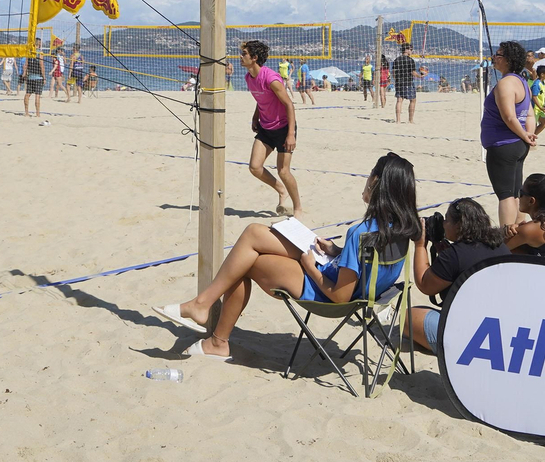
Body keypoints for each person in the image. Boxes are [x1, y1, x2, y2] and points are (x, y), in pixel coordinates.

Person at [156, 153, 420, 361]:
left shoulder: (360, 233)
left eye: (370, 175)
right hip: (356, 288)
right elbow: (370, 266)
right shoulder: (402, 230)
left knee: (246, 259)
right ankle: (206, 315)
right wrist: (337, 252)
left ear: (376, 183)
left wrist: (310, 267)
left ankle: (215, 335)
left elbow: (339, 295)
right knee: (253, 237)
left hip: (329, 294)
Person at [406, 197, 510, 354]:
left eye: (447, 220)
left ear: (459, 225)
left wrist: (420, 245)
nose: (443, 224)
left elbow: (424, 284)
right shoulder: (500, 245)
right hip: (501, 327)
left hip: (471, 336)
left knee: (407, 318)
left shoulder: (455, 255)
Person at [239, 39, 302, 218]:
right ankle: (281, 190)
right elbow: (262, 100)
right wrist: (255, 116)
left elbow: (289, 104)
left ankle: (297, 208)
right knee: (255, 167)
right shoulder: (248, 77)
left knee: (283, 170)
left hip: (283, 128)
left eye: (244, 54)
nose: (240, 57)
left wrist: (291, 135)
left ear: (254, 57)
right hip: (266, 127)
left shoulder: (271, 78)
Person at [483, 40, 538, 229]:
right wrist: (528, 135)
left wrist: (525, 135)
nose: (494, 58)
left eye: (498, 55)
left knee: (505, 195)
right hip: (517, 145)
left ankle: (507, 237)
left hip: (503, 145)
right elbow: (530, 114)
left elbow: (509, 117)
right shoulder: (522, 81)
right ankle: (518, 232)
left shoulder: (506, 84)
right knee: (515, 193)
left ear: (508, 59)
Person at [393, 42, 424, 124]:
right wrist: (420, 76)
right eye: (411, 49)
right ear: (406, 50)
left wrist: (396, 80)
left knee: (399, 100)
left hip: (398, 82)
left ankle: (398, 120)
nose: (411, 51)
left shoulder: (396, 60)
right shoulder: (410, 60)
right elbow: (413, 72)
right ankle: (410, 120)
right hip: (408, 82)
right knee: (413, 100)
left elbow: (393, 73)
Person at [22, 39, 46, 118]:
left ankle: (26, 112)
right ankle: (37, 114)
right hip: (38, 77)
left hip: (30, 76)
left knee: (28, 94)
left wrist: (24, 74)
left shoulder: (29, 52)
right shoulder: (39, 53)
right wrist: (44, 77)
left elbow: (25, 65)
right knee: (37, 95)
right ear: (39, 44)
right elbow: (42, 65)